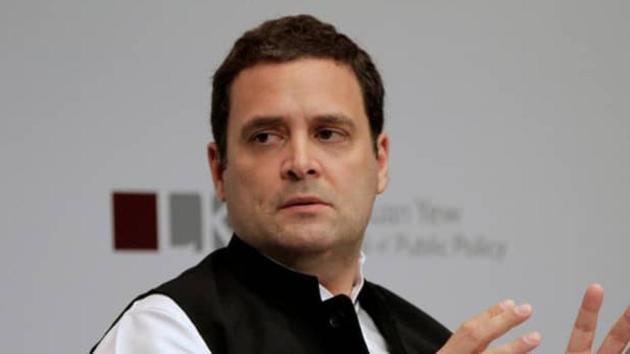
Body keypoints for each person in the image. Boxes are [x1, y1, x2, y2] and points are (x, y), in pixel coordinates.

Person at [91, 14, 630, 354]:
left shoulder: (429, 342)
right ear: (219, 171)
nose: (300, 161)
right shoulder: (167, 333)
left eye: (329, 133)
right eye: (264, 137)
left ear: (381, 161)